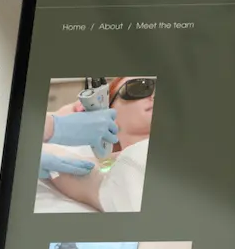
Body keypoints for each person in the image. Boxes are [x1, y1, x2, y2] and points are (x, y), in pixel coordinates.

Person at [43, 77, 155, 213]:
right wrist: (55, 121)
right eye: (139, 87)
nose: (153, 95)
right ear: (108, 114)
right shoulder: (121, 172)